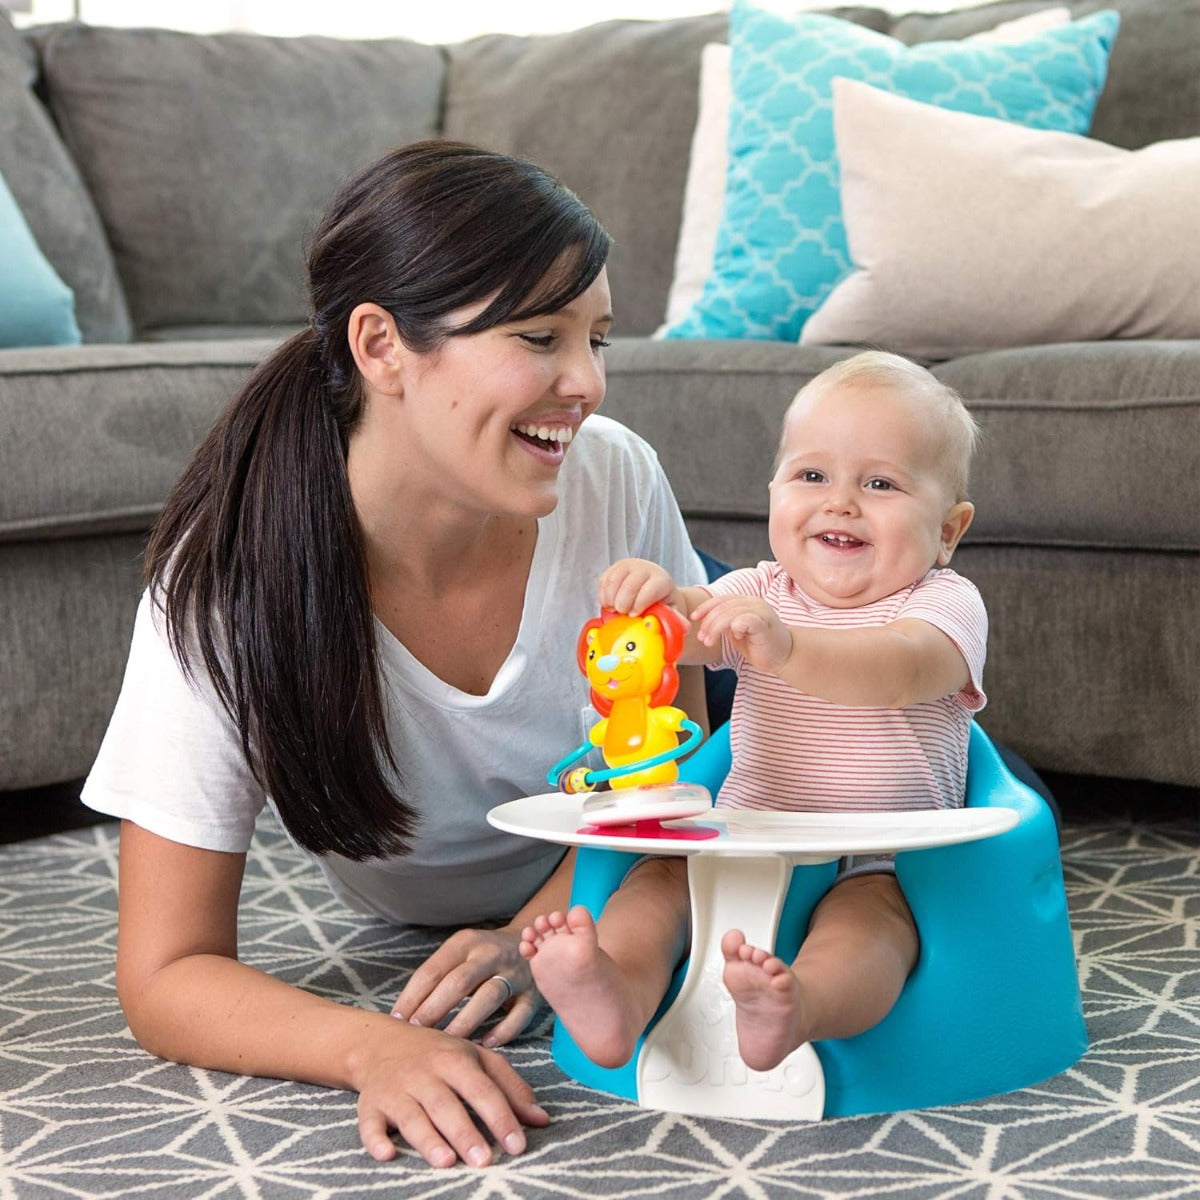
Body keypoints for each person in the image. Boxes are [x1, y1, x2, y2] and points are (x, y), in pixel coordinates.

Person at [80, 139, 709, 1169]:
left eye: (598, 338)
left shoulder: (615, 480)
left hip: (619, 777)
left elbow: (679, 791)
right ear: (380, 347)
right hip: (409, 889)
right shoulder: (229, 579)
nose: (587, 383)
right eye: (540, 337)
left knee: (860, 712)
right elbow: (165, 970)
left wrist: (543, 924)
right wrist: (372, 1047)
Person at [520, 350, 987, 1075]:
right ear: (773, 491)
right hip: (742, 834)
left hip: (877, 854)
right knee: (654, 884)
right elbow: (692, 625)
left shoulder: (942, 603)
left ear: (949, 530)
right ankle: (613, 990)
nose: (840, 502)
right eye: (811, 476)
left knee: (875, 931)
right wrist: (658, 599)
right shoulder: (760, 590)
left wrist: (788, 647)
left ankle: (799, 1006)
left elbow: (898, 671)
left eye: (881, 483)